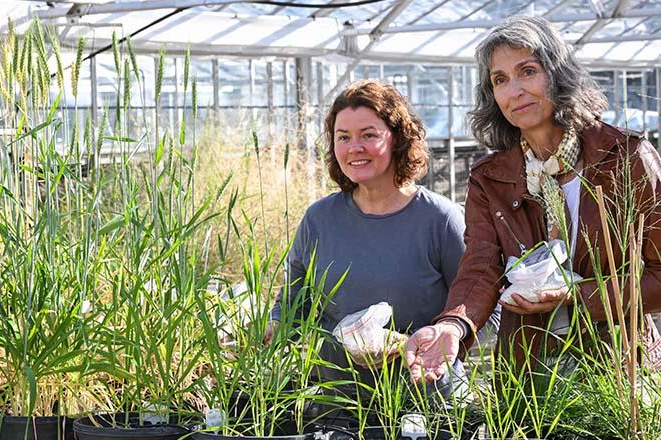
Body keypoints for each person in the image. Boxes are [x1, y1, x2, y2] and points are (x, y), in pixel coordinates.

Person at [405, 15, 661, 385]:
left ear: (557, 74)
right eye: (500, 80)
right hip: (528, 374)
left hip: (619, 375)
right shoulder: (490, 178)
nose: (515, 91)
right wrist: (453, 324)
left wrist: (576, 294)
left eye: (528, 71)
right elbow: (480, 268)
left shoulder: (625, 158)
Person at [266, 79, 472, 395]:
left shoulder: (440, 219)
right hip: (339, 403)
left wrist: (440, 335)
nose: (354, 147)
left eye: (369, 135)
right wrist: (269, 329)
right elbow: (294, 304)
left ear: (398, 139)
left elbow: (479, 306)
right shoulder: (319, 219)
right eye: (343, 137)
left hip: (424, 400)